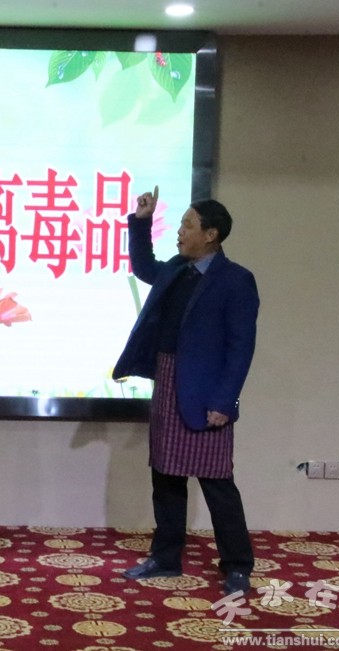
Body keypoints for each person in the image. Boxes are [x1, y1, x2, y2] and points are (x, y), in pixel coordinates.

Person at [112, 186, 259, 596]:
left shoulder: (236, 280)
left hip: (207, 394)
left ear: (211, 234)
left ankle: (237, 565)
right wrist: (141, 221)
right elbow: (144, 265)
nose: (180, 232)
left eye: (188, 225)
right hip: (168, 380)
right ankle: (165, 558)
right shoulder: (177, 268)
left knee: (217, 484)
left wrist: (224, 401)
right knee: (165, 478)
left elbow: (241, 348)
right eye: (180, 224)